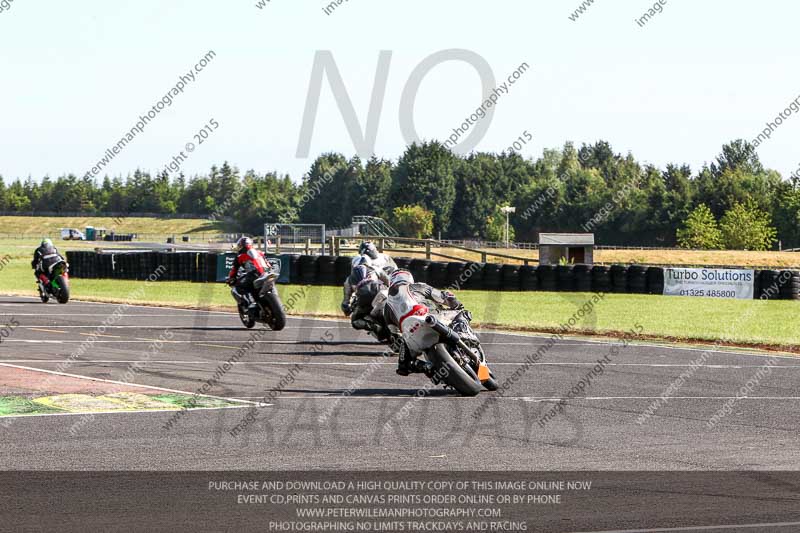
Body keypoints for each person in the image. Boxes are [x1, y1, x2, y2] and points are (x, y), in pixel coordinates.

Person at [383, 269, 467, 376]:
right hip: (431, 318)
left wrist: (404, 342)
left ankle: (427, 367)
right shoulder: (417, 286)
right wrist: (456, 305)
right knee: (463, 313)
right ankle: (462, 338)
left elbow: (394, 336)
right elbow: (444, 296)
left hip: (410, 334)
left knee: (403, 366)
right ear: (409, 278)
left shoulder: (386, 307)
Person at [341, 241, 397, 315]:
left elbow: (395, 272)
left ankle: (346, 303)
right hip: (371, 286)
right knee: (348, 282)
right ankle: (347, 304)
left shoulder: (384, 258)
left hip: (384, 288)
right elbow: (354, 276)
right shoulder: (360, 259)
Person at [226, 237, 271, 315]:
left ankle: (250, 303)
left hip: (253, 275)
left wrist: (231, 278)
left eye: (239, 245)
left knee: (237, 288)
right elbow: (268, 264)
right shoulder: (259, 252)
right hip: (266, 273)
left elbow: (234, 270)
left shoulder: (240, 256)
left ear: (241, 246)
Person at [346, 264, 391, 342]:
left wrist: (350, 307)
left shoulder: (351, 278)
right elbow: (389, 282)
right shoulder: (376, 270)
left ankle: (371, 325)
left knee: (354, 321)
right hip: (380, 293)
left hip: (366, 300)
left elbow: (350, 297)